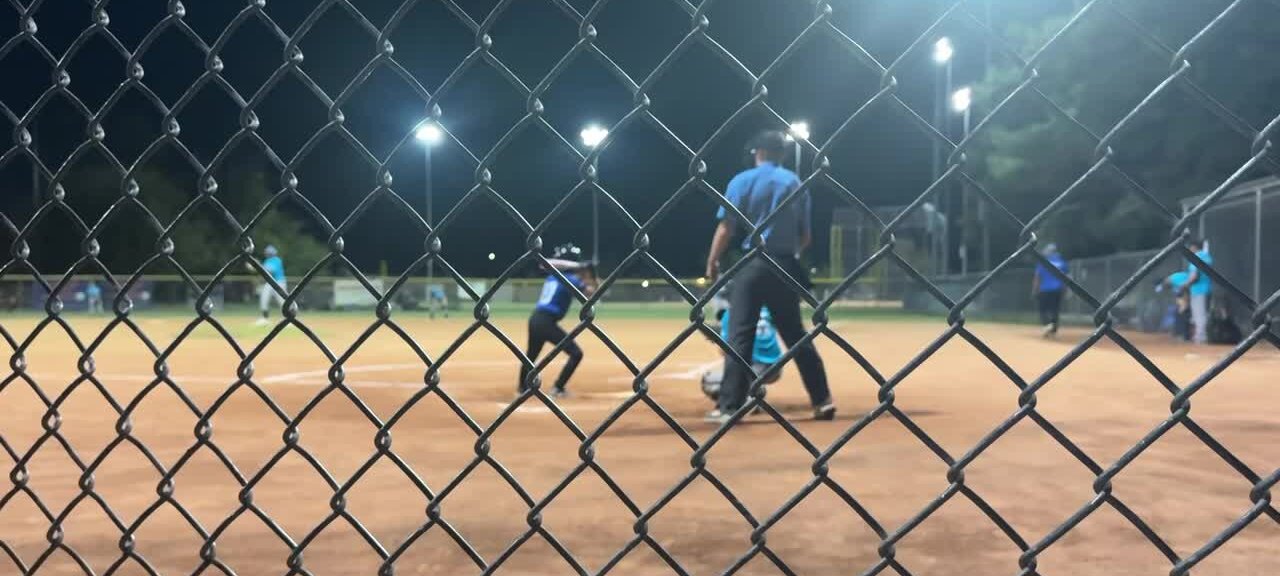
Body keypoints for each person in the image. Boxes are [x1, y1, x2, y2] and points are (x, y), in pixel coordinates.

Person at [704, 130, 833, 424]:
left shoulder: (742, 180)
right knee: (796, 335)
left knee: (740, 334)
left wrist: (713, 261)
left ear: (757, 153)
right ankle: (822, 400)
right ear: (782, 154)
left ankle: (730, 407)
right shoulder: (794, 182)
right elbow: (806, 236)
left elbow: (727, 228)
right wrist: (787, 254)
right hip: (785, 264)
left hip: (753, 264)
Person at [518, 243, 596, 399]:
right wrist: (590, 277)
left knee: (531, 356)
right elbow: (589, 293)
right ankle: (558, 387)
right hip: (546, 322)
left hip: (535, 319)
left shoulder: (552, 276)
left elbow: (546, 264)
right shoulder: (571, 279)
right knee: (576, 353)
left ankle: (522, 388)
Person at [1031, 243, 1068, 338]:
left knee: (1042, 309)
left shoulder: (1043, 262)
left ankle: (1047, 325)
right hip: (1057, 290)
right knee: (1055, 310)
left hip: (1045, 289)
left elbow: (1037, 277)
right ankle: (1053, 331)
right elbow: (1065, 278)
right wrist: (1065, 290)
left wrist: (1034, 290)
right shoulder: (1062, 262)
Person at [1183, 239, 1213, 344]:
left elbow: (1195, 276)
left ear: (1194, 247)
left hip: (1198, 290)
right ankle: (1201, 336)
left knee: (1199, 314)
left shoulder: (1196, 257)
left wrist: (1185, 285)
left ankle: (1201, 337)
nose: (1190, 249)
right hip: (1207, 288)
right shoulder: (1207, 257)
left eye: (1191, 247)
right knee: (1203, 313)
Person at [253, 245, 287, 326]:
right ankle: (265, 318)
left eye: (268, 252)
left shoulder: (277, 260)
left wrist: (258, 265)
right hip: (270, 283)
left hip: (279, 283)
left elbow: (271, 271)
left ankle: (288, 318)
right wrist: (257, 266)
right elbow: (264, 272)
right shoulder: (267, 261)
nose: (267, 253)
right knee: (264, 298)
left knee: (282, 301)